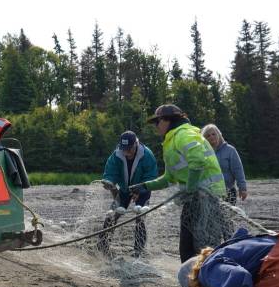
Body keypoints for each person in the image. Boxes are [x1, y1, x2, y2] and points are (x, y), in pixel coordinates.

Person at [130, 104, 227, 262]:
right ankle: (192, 282)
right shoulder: (171, 141)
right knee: (187, 248)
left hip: (206, 198)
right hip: (193, 199)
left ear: (167, 120)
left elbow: (197, 161)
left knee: (204, 247)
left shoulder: (184, 134)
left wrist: (190, 188)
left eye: (157, 122)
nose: (156, 126)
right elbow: (169, 178)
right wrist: (144, 186)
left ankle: (207, 282)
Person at [97, 131, 158, 256]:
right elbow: (110, 171)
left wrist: (140, 191)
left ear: (136, 144)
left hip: (143, 189)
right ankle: (102, 244)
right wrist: (109, 182)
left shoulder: (147, 155)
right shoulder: (116, 155)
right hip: (124, 190)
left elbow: (151, 176)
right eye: (124, 149)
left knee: (139, 217)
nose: (127, 152)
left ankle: (138, 250)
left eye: (129, 149)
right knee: (113, 214)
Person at [201, 124, 248, 205]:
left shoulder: (230, 150)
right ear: (204, 139)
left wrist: (242, 188)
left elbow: (238, 170)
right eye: (208, 135)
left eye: (213, 134)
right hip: (209, 193)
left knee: (227, 217)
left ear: (219, 134)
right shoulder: (202, 152)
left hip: (228, 191)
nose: (211, 137)